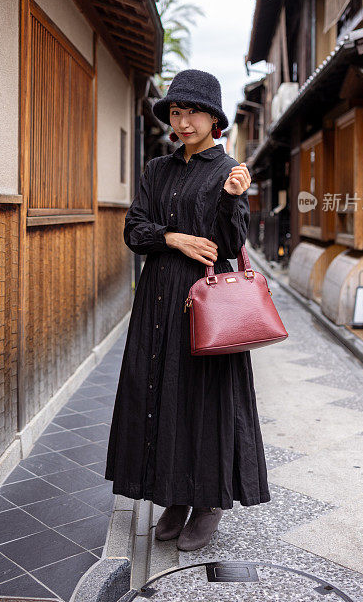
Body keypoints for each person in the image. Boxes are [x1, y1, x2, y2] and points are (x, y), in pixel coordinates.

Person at [104, 69, 270, 551]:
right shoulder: (157, 170)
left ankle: (209, 502)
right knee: (159, 395)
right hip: (156, 300)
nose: (182, 120)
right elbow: (135, 230)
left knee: (204, 401)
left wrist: (232, 200)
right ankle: (172, 495)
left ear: (213, 118)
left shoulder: (227, 171)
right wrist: (171, 238)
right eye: (176, 111)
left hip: (206, 305)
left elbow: (232, 243)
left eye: (192, 111)